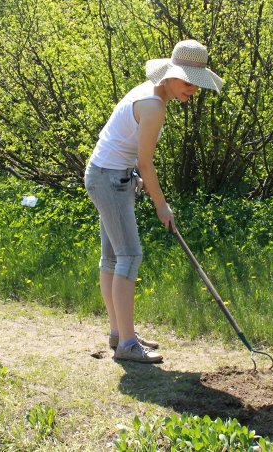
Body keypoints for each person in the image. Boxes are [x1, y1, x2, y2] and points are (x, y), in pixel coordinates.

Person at [84, 39, 223, 363]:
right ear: (171, 76)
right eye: (189, 83)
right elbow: (145, 164)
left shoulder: (149, 92)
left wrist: (137, 179)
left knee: (113, 259)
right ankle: (128, 345)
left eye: (197, 84)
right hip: (109, 179)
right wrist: (162, 205)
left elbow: (129, 150)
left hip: (106, 175)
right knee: (129, 257)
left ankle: (120, 335)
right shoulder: (154, 105)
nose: (193, 90)